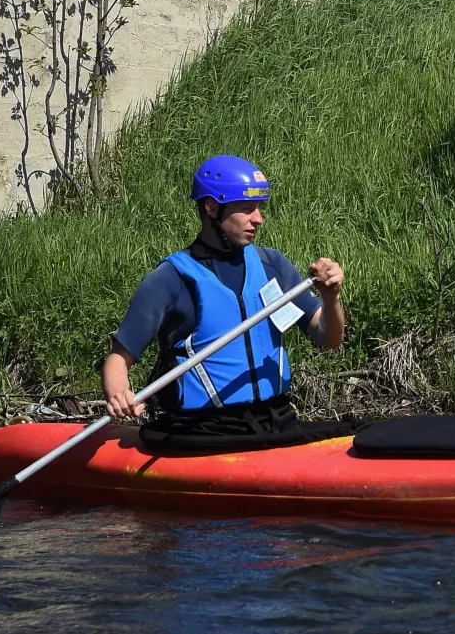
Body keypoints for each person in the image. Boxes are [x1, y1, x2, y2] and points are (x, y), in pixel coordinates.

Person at [102, 154, 347, 446]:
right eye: (246, 209)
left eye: (258, 208)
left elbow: (328, 338)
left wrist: (330, 298)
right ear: (211, 207)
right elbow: (118, 360)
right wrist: (119, 395)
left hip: (275, 420)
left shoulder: (273, 266)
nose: (258, 218)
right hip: (205, 430)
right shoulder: (171, 279)